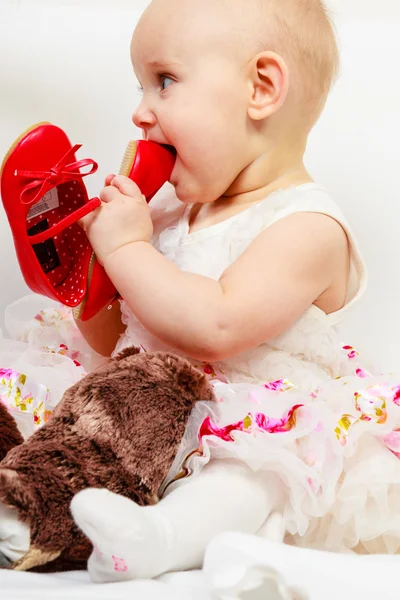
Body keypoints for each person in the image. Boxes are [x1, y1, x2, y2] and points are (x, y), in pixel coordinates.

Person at [1, 0, 399, 590]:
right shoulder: (165, 212)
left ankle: (158, 537)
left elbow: (216, 325)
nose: (139, 113)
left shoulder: (307, 228)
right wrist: (92, 285)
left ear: (261, 88)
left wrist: (128, 253)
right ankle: (26, 504)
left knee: (248, 480)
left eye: (164, 81)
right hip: (134, 411)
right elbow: (119, 345)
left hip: (243, 421)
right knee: (47, 408)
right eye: (140, 86)